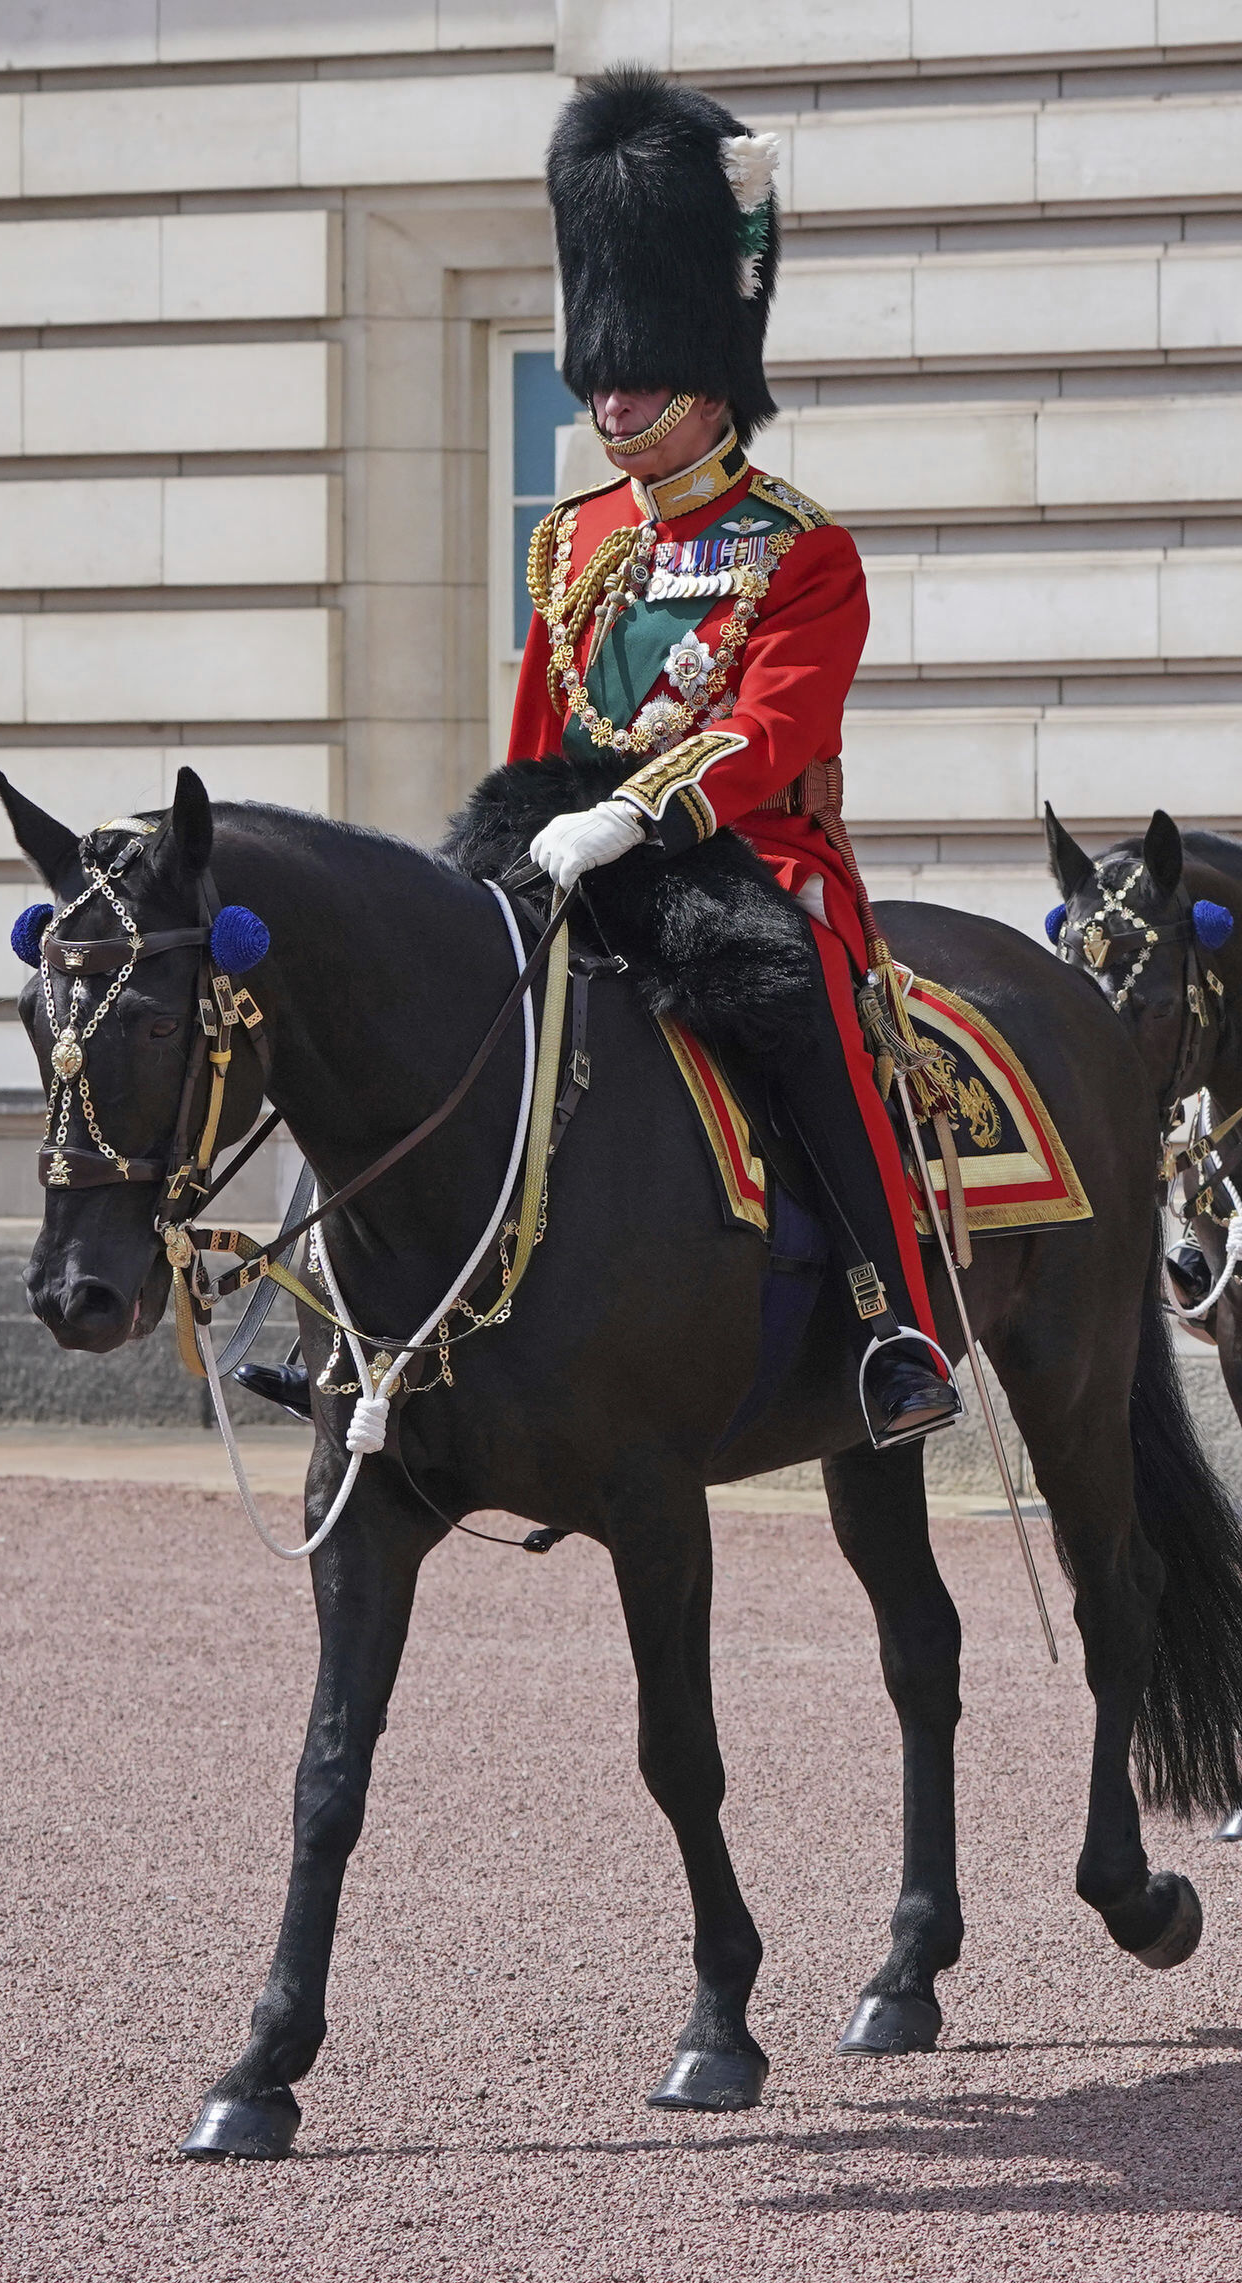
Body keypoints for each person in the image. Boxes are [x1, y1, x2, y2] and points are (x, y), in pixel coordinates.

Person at [509, 69, 958, 1445]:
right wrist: (515, 839)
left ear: (709, 366)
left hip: (740, 856)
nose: (612, 391)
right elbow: (539, 724)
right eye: (603, 365)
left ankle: (897, 1323)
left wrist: (632, 815)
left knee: (797, 1015)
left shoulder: (799, 545)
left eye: (638, 366)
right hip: (573, 844)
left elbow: (770, 732)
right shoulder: (575, 537)